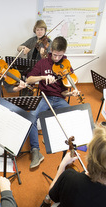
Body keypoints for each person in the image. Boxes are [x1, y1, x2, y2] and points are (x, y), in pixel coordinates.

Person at [25, 36, 80, 169]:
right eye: (55, 55)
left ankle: (54, 137)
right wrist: (43, 77)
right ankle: (35, 151)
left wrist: (70, 93)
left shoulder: (66, 64)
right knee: (31, 117)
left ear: (64, 52)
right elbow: (29, 79)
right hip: (45, 97)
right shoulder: (43, 63)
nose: (56, 58)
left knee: (75, 116)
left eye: (60, 55)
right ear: (51, 50)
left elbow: (63, 92)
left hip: (59, 99)